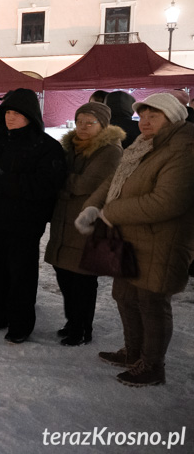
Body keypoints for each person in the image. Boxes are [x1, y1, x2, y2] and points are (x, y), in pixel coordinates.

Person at [78, 93, 194, 386]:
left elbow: (167, 201)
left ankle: (153, 366)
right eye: (141, 116)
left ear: (172, 118)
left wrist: (111, 211)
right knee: (125, 295)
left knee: (151, 301)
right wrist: (93, 206)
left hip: (163, 241)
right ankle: (134, 352)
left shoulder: (184, 147)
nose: (144, 122)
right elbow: (114, 180)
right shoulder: (142, 145)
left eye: (153, 116)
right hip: (131, 238)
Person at [0, 88, 66, 343]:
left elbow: (46, 184)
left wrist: (5, 183)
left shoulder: (46, 147)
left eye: (17, 113)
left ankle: (21, 323)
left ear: (30, 115)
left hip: (25, 222)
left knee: (21, 274)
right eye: (7, 112)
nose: (10, 117)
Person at [44, 103, 124, 346]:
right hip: (64, 219)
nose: (84, 127)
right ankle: (72, 321)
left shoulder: (110, 150)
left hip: (85, 222)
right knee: (63, 272)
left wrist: (58, 180)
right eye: (80, 122)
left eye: (91, 123)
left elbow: (86, 185)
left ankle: (82, 328)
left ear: (103, 125)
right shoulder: (70, 147)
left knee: (83, 278)